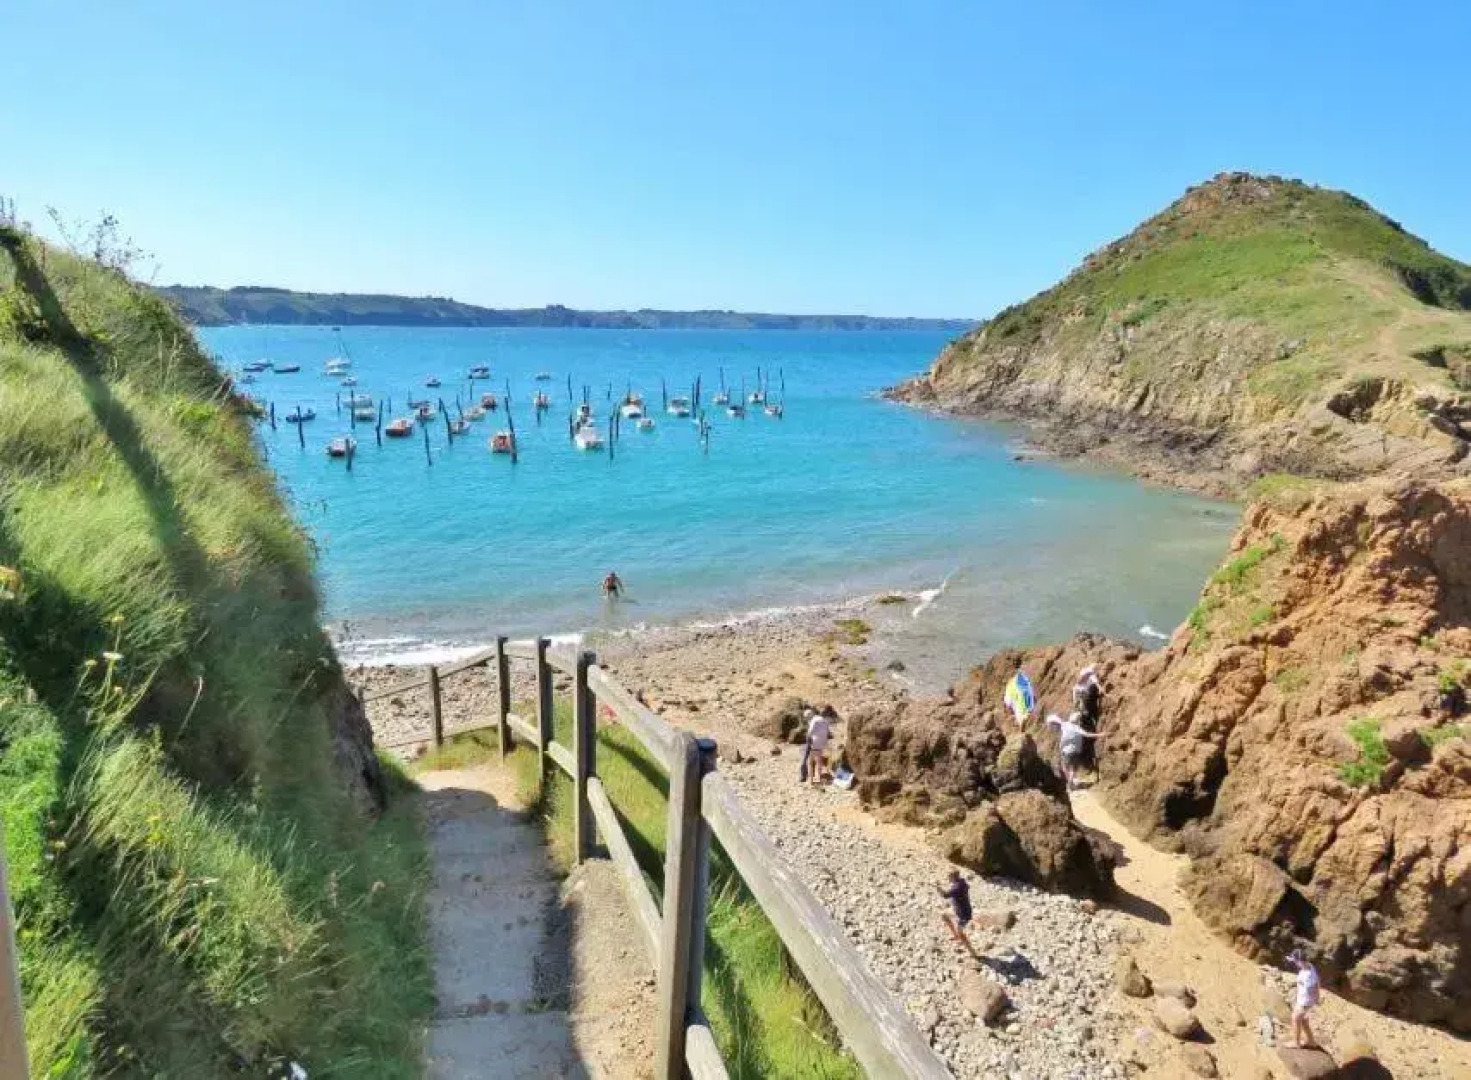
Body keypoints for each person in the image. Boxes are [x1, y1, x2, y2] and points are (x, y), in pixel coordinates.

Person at [1045, 711, 1103, 790]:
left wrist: (1060, 747)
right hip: (1074, 752)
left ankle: (1069, 782)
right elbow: (1087, 734)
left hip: (1065, 751)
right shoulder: (1076, 727)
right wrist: (1100, 735)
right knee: (1072, 769)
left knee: (1065, 767)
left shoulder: (1065, 725)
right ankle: (1070, 783)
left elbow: (1062, 736)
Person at [1288, 949, 1321, 1049]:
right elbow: (1318, 981)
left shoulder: (1308, 975)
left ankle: (1296, 1043)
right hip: (1303, 999)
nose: (1294, 963)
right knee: (1304, 1020)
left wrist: (1315, 999)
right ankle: (1311, 1041)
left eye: (1295, 961)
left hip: (1305, 1001)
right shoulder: (1309, 966)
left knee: (1295, 1018)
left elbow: (1314, 987)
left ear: (1299, 961)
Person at [938, 869, 973, 949]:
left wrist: (939, 889)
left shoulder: (957, 887)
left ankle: (973, 953)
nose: (948, 879)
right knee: (944, 915)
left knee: (960, 933)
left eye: (949, 877)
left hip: (963, 915)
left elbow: (945, 895)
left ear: (953, 877)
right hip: (959, 912)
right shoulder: (961, 883)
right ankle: (955, 935)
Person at [806, 708, 832, 786]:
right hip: (822, 742)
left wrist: (807, 739)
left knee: (811, 762)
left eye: (807, 717)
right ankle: (818, 778)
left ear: (809, 716)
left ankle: (812, 780)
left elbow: (810, 732)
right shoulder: (823, 720)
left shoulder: (814, 720)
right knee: (819, 760)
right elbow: (828, 732)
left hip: (815, 742)